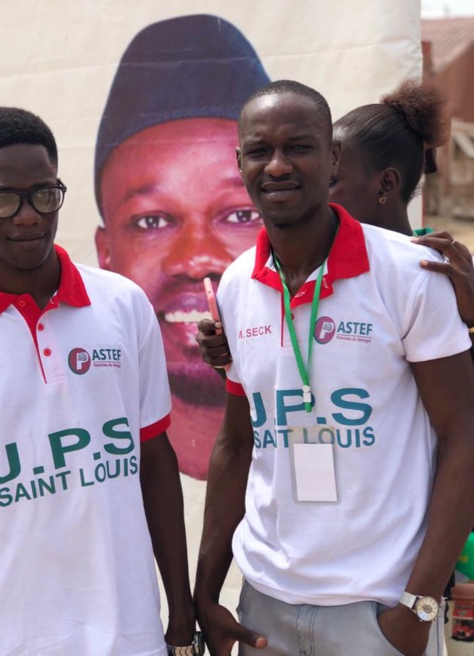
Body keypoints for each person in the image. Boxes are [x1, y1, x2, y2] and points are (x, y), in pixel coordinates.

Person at [0, 107, 198, 656]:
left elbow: (155, 462)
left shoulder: (123, 306)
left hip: (129, 635)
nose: (29, 216)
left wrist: (180, 614)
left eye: (44, 194)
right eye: (4, 198)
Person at [193, 80, 474, 656]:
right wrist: (205, 592)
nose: (277, 166)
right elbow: (237, 443)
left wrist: (417, 607)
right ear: (239, 162)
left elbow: (465, 434)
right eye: (259, 151)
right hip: (265, 603)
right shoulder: (237, 286)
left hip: (378, 610)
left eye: (298, 147)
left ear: (333, 157)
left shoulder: (410, 274)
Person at [94, 14, 270, 479]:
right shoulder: (85, 458)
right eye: (152, 221)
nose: (196, 258)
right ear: (105, 253)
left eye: (239, 215)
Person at [331, 80, 474, 332]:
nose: (315, 193)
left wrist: (471, 319)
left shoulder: (452, 272)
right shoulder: (311, 267)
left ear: (386, 184)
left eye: (330, 181)